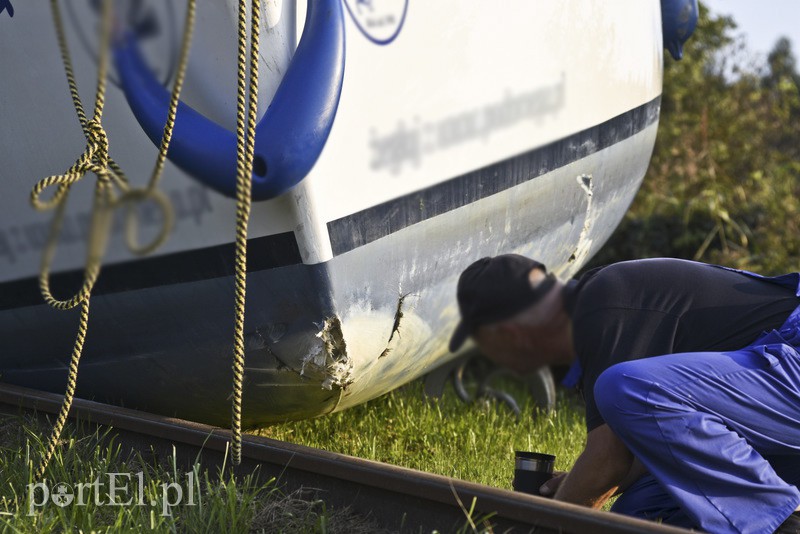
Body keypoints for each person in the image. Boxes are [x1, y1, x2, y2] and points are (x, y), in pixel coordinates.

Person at [449, 254, 800, 533]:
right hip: (777, 406)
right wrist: (575, 484)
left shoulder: (602, 306)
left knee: (626, 387)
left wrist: (538, 525)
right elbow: (640, 453)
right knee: (639, 515)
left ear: (508, 331)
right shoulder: (596, 313)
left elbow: (609, 459)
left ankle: (782, 523)